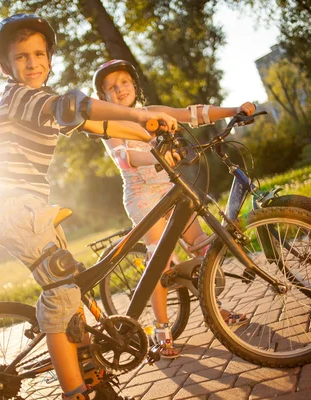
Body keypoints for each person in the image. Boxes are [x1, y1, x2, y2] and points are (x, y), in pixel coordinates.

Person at [0, 15, 178, 400]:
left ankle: (90, 372)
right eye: (21, 56)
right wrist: (139, 114)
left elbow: (98, 126)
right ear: (6, 66)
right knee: (61, 296)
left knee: (72, 288)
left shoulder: (45, 101)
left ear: (50, 59)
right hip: (14, 209)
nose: (33, 62)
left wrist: (148, 133)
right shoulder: (20, 97)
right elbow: (81, 107)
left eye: (39, 53)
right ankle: (76, 392)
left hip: (34, 209)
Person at [92, 59, 255, 358]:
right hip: (142, 197)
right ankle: (161, 331)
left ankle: (216, 311)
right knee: (161, 262)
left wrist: (232, 110)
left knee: (201, 250)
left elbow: (191, 114)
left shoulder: (152, 113)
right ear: (104, 97)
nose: (119, 90)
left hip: (170, 187)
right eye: (111, 88)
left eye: (124, 83)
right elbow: (124, 157)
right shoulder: (110, 125)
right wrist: (158, 157)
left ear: (134, 85)